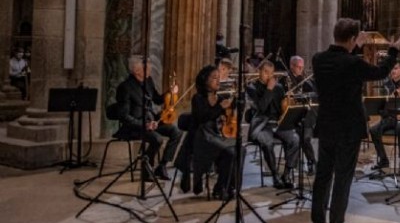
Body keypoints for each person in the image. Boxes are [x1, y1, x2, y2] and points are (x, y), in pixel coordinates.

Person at [311, 18, 400, 223]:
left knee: (323, 174)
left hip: (326, 125)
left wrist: (355, 47)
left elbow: (340, 64)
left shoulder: (318, 60)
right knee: (343, 176)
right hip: (348, 128)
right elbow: (380, 72)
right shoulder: (353, 64)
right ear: (352, 39)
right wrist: (393, 52)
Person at [114, 55, 182, 181]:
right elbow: (123, 116)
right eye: (146, 66)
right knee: (157, 139)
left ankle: (162, 166)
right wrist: (144, 125)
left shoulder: (148, 81)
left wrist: (169, 92)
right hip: (135, 126)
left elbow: (156, 99)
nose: (150, 68)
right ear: (136, 70)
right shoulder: (125, 87)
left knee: (176, 132)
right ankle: (147, 169)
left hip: (152, 121)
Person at [246, 60, 299, 189]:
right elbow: (262, 107)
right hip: (262, 125)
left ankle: (286, 174)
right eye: (265, 72)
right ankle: (275, 175)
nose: (269, 76)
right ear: (259, 72)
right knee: (267, 142)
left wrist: (289, 101)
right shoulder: (252, 88)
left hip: (278, 124)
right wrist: (269, 89)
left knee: (295, 139)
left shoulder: (279, 88)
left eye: (271, 73)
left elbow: (283, 109)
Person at [188, 65, 237, 199]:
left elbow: (226, 116)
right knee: (230, 152)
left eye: (218, 78)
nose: (218, 81)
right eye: (214, 78)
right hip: (203, 137)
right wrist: (219, 108)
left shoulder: (219, 97)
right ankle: (221, 188)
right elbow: (202, 117)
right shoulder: (198, 98)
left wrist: (233, 102)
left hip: (216, 135)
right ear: (205, 80)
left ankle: (227, 186)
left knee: (239, 149)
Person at [369, 58, 400, 175]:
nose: (393, 71)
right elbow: (382, 107)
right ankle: (383, 159)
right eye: (391, 69)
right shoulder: (387, 85)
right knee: (373, 129)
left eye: (395, 68)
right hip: (390, 118)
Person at [285, 54, 317, 174]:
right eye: (298, 67)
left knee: (305, 136)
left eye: (302, 67)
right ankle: (295, 166)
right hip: (290, 116)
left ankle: (311, 162)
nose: (300, 70)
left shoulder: (305, 80)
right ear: (291, 66)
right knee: (300, 136)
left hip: (303, 115)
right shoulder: (285, 79)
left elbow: (313, 94)